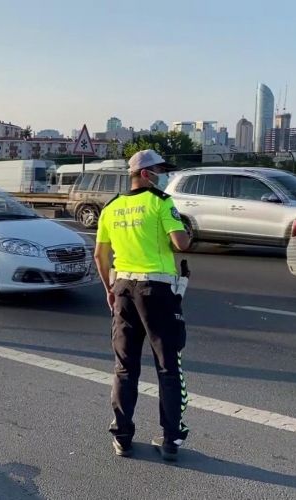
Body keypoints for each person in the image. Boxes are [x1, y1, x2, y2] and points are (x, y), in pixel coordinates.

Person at [93, 149, 192, 461]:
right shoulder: (161, 202)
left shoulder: (112, 207)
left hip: (122, 287)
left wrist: (110, 288)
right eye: (159, 171)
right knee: (167, 366)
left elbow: (100, 255)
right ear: (147, 174)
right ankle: (171, 440)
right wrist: (183, 228)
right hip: (157, 290)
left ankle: (122, 436)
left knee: (125, 366)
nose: (162, 175)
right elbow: (181, 243)